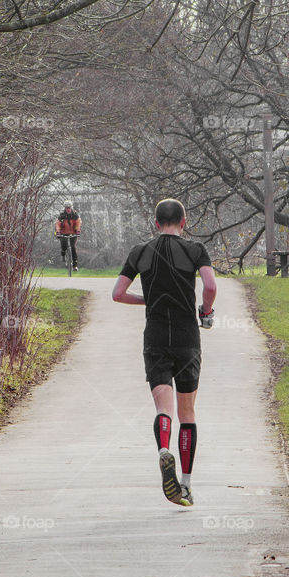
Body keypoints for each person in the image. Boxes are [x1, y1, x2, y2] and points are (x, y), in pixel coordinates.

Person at [112, 198, 216, 507]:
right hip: (187, 338)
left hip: (155, 336)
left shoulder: (140, 252)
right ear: (184, 222)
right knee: (188, 413)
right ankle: (184, 485)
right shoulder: (195, 250)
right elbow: (209, 286)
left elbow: (117, 294)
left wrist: (148, 300)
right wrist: (206, 312)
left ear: (156, 224)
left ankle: (162, 451)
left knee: (163, 408)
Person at [54, 202, 81, 270]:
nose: (68, 209)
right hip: (63, 233)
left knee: (73, 247)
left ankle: (75, 265)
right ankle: (63, 254)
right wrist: (58, 232)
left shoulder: (75, 215)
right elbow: (58, 224)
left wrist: (77, 231)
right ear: (65, 208)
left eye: (69, 208)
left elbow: (78, 223)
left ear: (71, 208)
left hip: (73, 233)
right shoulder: (62, 215)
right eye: (67, 208)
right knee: (64, 245)